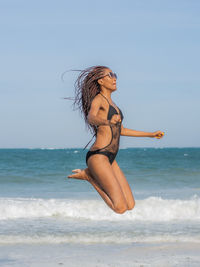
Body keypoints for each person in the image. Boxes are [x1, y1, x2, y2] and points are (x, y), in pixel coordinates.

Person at [68, 65, 164, 214]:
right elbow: (91, 117)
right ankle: (89, 177)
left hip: (110, 158)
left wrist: (150, 134)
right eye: (110, 75)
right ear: (100, 81)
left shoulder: (115, 106)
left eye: (115, 75)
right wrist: (107, 121)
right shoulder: (99, 100)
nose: (114, 78)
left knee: (130, 205)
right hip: (98, 155)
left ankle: (89, 175)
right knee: (119, 208)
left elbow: (122, 130)